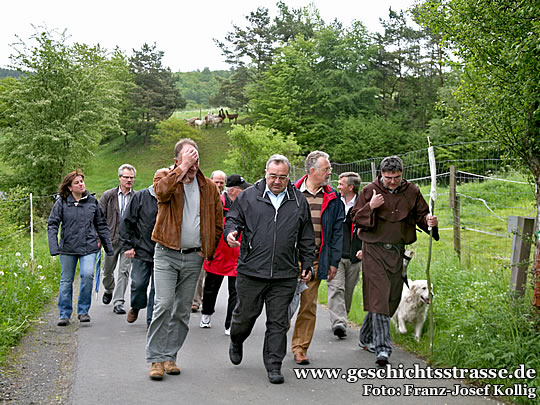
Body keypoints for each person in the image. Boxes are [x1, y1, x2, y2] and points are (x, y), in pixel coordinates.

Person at [224, 154, 315, 384]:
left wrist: (307, 263)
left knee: (278, 322)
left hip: (284, 274)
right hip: (251, 271)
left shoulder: (298, 200)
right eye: (273, 176)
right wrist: (231, 233)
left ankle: (274, 365)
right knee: (245, 316)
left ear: (288, 177)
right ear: (266, 173)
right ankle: (236, 339)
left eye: (282, 177)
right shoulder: (248, 196)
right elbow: (233, 219)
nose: (277, 181)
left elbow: (306, 235)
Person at [146, 138, 222, 380]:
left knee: (181, 310)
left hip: (193, 257)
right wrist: (181, 169)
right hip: (166, 254)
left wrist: (206, 250)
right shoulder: (165, 177)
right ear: (176, 160)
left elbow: (218, 223)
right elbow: (161, 193)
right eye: (188, 160)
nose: (193, 166)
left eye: (195, 160)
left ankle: (170, 356)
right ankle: (156, 359)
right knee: (163, 304)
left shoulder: (209, 187)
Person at [351, 155, 439, 366]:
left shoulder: (412, 191)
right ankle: (383, 348)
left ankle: (365, 336)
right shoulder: (369, 190)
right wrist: (370, 206)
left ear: (402, 174)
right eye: (388, 177)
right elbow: (355, 217)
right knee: (379, 296)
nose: (392, 182)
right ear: (381, 174)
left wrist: (430, 221)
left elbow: (422, 215)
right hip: (373, 250)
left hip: (397, 252)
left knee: (390, 299)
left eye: (396, 177)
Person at [291, 150, 344, 365]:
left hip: (314, 260)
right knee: (282, 306)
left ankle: (300, 348)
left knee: (308, 305)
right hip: (288, 259)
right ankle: (274, 345)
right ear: (312, 171)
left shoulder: (333, 197)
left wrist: (333, 262)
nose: (330, 172)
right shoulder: (291, 192)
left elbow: (337, 233)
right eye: (326, 169)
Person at [48, 169, 114, 326]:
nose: (81, 184)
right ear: (69, 187)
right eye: (76, 183)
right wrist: (54, 246)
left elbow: (101, 225)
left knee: (87, 275)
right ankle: (64, 314)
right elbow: (52, 224)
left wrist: (108, 246)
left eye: (82, 181)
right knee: (66, 281)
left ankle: (83, 311)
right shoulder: (62, 202)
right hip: (67, 249)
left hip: (88, 247)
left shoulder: (92, 202)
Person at [200, 174, 251, 333]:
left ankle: (230, 324)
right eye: (242, 189)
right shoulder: (217, 204)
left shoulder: (246, 206)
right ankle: (206, 314)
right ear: (233, 191)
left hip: (237, 255)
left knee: (236, 292)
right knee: (211, 288)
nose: (245, 192)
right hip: (218, 254)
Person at [119, 171, 165, 326]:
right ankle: (136, 306)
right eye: (158, 180)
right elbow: (127, 221)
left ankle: (151, 321)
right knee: (139, 284)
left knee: (157, 289)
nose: (161, 183)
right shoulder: (141, 196)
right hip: (141, 249)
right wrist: (128, 246)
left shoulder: (171, 198)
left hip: (163, 252)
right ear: (154, 180)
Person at [327, 172, 363, 338]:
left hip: (356, 256)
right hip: (336, 255)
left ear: (351, 187)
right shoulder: (334, 202)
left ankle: (342, 318)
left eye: (341, 184)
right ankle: (339, 323)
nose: (338, 187)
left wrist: (365, 249)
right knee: (336, 288)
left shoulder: (364, 204)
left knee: (348, 291)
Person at [99, 164, 136, 315]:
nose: (129, 180)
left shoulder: (137, 197)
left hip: (128, 242)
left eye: (131, 178)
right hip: (110, 240)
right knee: (107, 271)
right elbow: (99, 218)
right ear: (119, 177)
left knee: (124, 271)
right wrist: (99, 238)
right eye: (126, 177)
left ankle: (119, 302)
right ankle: (109, 289)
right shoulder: (108, 196)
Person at [192, 170, 227, 312]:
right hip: (203, 241)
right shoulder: (203, 196)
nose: (218, 185)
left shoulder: (226, 199)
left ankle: (207, 301)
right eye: (216, 181)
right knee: (199, 273)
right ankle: (195, 301)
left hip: (219, 244)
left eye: (221, 182)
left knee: (211, 276)